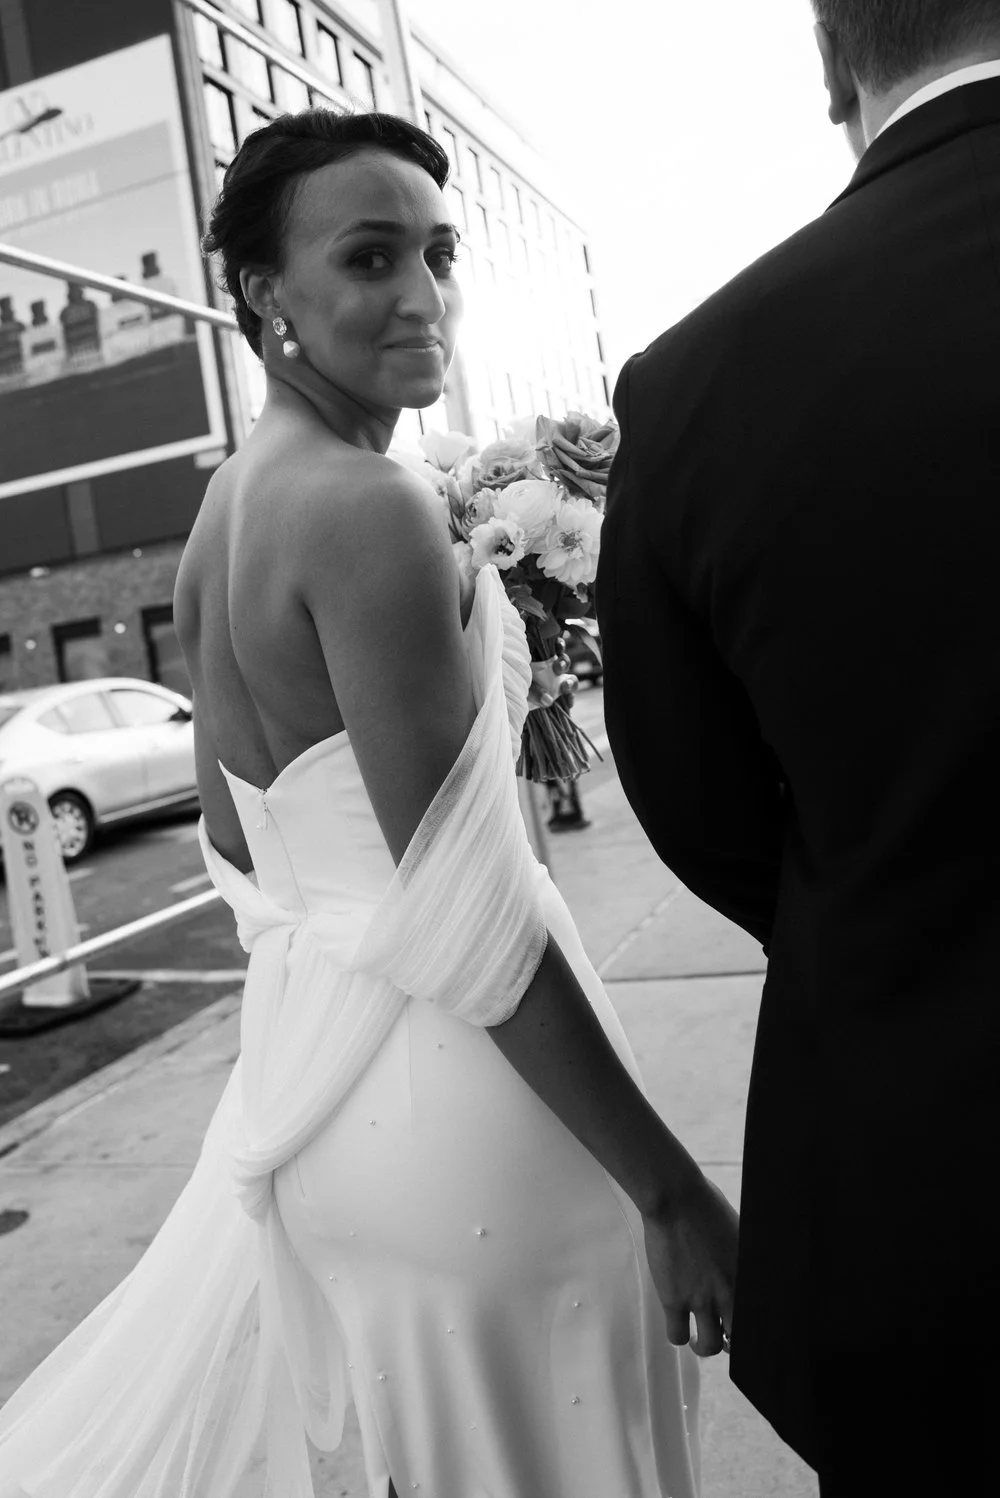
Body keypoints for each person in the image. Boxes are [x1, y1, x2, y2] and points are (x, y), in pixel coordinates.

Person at [0, 111, 736, 1498]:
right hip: (484, 1122)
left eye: (439, 252)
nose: (421, 293)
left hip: (331, 1110)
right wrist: (668, 1186)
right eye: (369, 255)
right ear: (265, 297)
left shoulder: (227, 513)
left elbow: (243, 846)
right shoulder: (365, 506)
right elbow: (476, 911)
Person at [596, 2, 1000, 1492]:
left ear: (836, 64)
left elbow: (693, 797)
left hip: (935, 1216)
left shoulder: (699, 379)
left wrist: (878, 906)